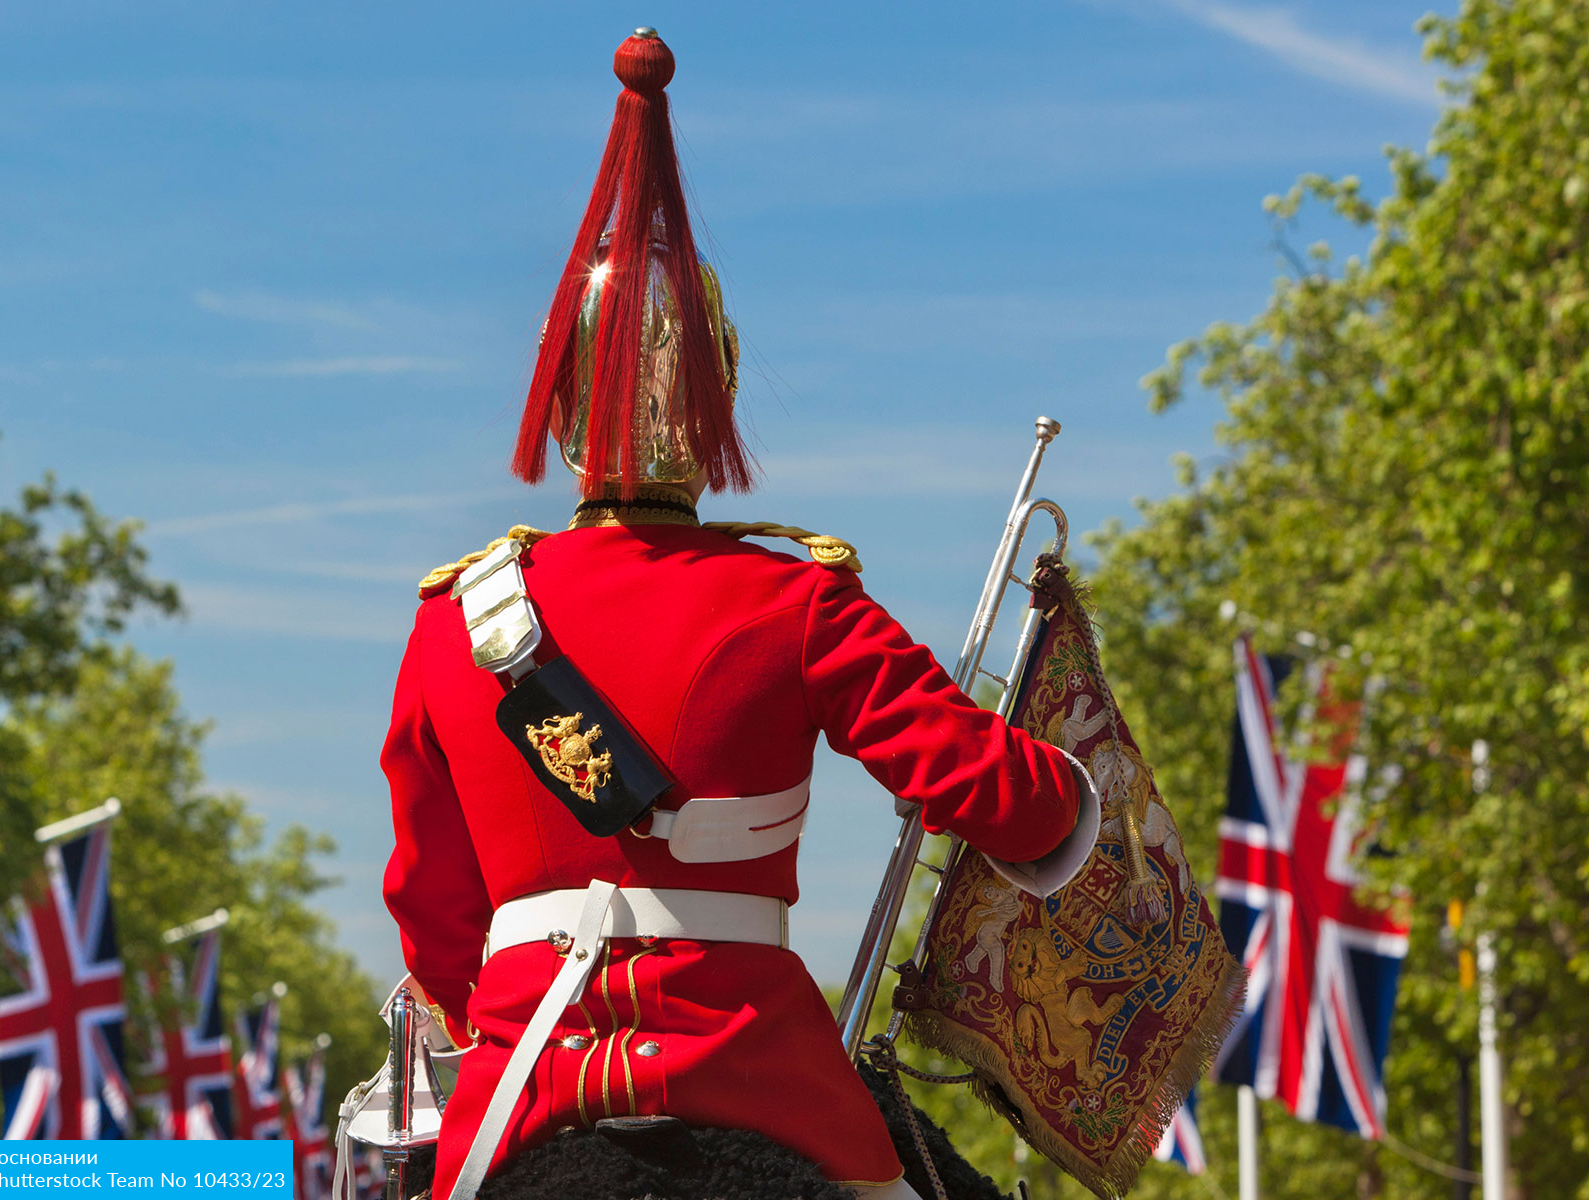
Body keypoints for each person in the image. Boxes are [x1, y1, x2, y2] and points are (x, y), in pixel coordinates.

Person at [379, 29, 1098, 1200]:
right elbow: (1009, 807)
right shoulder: (795, 597)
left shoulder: (455, 620)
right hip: (761, 1081)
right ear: (712, 392)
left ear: (560, 404)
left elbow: (433, 910)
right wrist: (1073, 790)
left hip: (519, 1100)